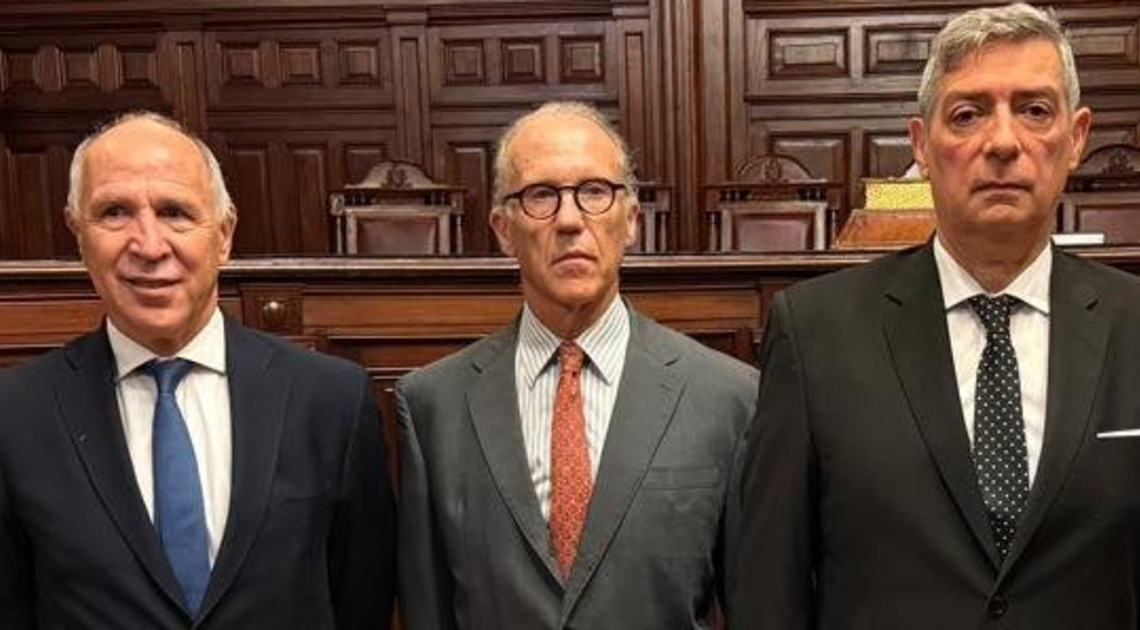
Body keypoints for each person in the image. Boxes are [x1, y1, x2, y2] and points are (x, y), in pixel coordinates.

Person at [728, 4, 1140, 629]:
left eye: (1035, 110)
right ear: (922, 146)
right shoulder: (814, 334)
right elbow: (768, 590)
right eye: (967, 114)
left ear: (1077, 137)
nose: (1002, 142)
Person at [0, 112, 395, 629]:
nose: (149, 245)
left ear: (224, 234)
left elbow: (361, 599)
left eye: (175, 212)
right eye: (115, 212)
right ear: (78, 235)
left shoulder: (330, 400)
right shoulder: (15, 414)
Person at [395, 101, 758, 628]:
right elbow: (427, 608)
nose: (569, 220)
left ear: (630, 219)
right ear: (503, 229)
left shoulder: (728, 397)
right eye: (541, 195)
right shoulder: (434, 405)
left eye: (594, 191)